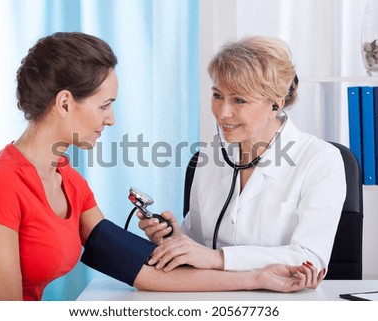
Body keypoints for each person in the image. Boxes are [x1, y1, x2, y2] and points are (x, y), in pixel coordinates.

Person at [0, 32, 324, 301]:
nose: (111, 119)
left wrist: (256, 277)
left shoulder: (70, 183)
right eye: (104, 105)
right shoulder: (0, 179)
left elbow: (141, 273)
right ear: (65, 104)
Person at [138, 36, 346, 275]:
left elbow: (310, 258)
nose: (223, 113)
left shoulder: (320, 160)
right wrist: (175, 240)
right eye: (217, 96)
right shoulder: (209, 156)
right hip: (211, 296)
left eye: (239, 100)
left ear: (275, 104)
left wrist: (220, 259)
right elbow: (200, 244)